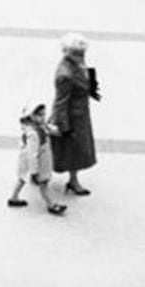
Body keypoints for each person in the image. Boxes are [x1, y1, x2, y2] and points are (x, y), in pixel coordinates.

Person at [49, 33, 99, 196]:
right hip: (72, 117)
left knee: (73, 149)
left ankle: (72, 179)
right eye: (78, 52)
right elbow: (60, 102)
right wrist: (64, 126)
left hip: (80, 114)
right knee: (70, 149)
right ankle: (72, 180)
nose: (82, 56)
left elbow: (84, 74)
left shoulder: (76, 63)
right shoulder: (65, 74)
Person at [9, 101, 65, 214]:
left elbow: (48, 129)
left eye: (44, 114)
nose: (43, 117)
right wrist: (34, 172)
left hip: (34, 161)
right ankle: (51, 205)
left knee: (22, 179)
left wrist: (56, 131)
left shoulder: (39, 126)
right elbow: (32, 153)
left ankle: (13, 198)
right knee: (43, 183)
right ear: (31, 116)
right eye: (40, 115)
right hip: (37, 162)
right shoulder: (33, 134)